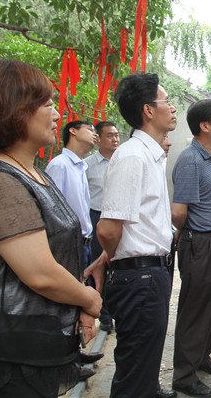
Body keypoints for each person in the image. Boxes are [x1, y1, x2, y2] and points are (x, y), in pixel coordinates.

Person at [0, 59, 102, 397]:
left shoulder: (29, 170)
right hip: (6, 358)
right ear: (14, 109)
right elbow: (41, 274)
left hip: (32, 348)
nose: (57, 114)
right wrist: (90, 299)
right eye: (48, 104)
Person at [86, 73, 177, 398]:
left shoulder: (150, 155)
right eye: (167, 101)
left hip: (150, 273)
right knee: (134, 373)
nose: (173, 108)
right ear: (148, 110)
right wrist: (117, 256)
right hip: (140, 278)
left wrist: (110, 255)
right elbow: (108, 228)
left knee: (145, 361)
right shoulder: (133, 156)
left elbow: (130, 225)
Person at [171, 99, 211, 398]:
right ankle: (183, 375)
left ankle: (201, 356)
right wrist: (191, 237)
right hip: (200, 242)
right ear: (204, 125)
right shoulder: (190, 160)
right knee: (195, 308)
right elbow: (178, 212)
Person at [46, 120, 97, 269]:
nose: (95, 134)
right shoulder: (59, 165)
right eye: (90, 129)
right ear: (73, 131)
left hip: (84, 243)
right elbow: (52, 208)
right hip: (68, 245)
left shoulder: (81, 166)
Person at [84, 120, 120, 333]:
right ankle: (105, 316)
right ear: (98, 138)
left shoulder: (123, 161)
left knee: (119, 265)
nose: (115, 139)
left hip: (118, 218)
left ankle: (118, 310)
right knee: (99, 267)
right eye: (109, 135)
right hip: (96, 216)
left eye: (116, 135)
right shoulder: (87, 165)